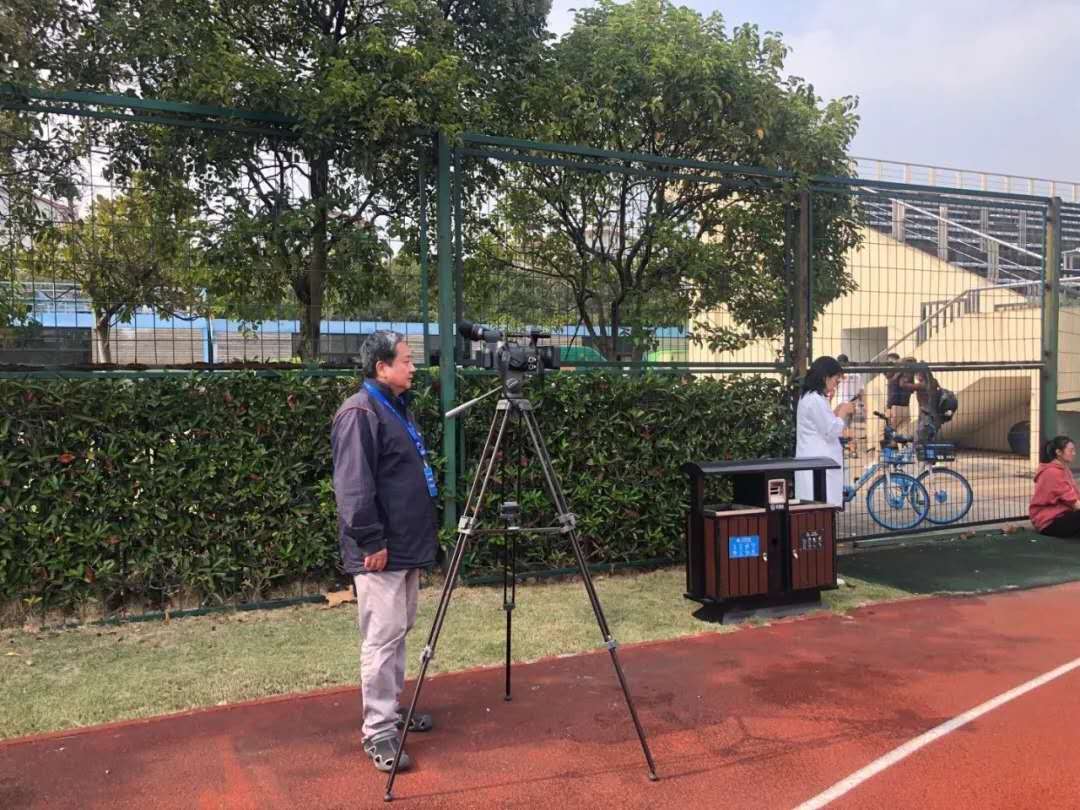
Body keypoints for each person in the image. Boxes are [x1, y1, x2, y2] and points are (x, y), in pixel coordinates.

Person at [331, 330, 439, 773]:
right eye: (406, 360)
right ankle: (378, 730)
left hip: (404, 545)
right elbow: (353, 486)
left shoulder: (395, 406)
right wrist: (370, 541)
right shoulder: (360, 412)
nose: (413, 367)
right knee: (381, 637)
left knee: (398, 629)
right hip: (381, 550)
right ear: (382, 367)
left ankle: (390, 709)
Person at [795, 356, 855, 506]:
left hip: (817, 461)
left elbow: (822, 424)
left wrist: (837, 411)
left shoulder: (812, 397)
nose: (836, 383)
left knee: (818, 506)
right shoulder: (815, 399)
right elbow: (830, 431)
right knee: (821, 507)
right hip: (818, 463)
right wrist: (843, 412)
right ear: (825, 377)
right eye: (836, 379)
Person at [1029, 436, 1080, 538]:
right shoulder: (1052, 472)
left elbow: (1075, 496)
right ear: (1058, 452)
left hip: (1062, 515)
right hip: (1049, 522)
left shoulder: (1064, 469)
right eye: (1071, 450)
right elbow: (1072, 501)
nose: (1074, 453)